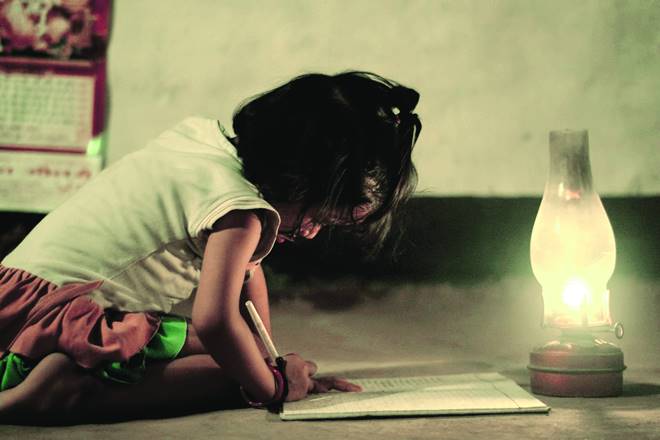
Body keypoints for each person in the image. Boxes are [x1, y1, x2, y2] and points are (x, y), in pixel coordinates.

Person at [0, 70, 422, 423]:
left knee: (244, 356)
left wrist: (268, 358)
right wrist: (273, 385)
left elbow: (247, 273)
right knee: (233, 376)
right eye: (317, 218)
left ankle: (65, 376)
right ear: (298, 181)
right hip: (53, 329)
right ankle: (59, 391)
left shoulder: (200, 142)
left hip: (16, 307)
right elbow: (216, 322)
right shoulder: (240, 215)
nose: (310, 233)